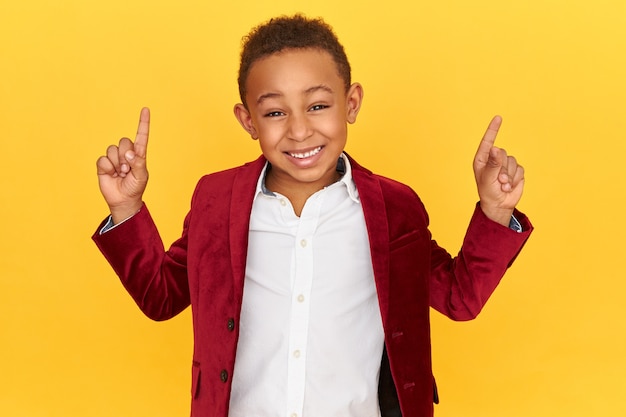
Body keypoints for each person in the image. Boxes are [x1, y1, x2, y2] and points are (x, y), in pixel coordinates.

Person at [92, 14, 532, 417]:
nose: (300, 130)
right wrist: (127, 208)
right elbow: (162, 296)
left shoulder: (395, 207)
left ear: (351, 103)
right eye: (275, 112)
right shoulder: (215, 198)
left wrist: (494, 212)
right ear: (248, 122)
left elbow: (458, 298)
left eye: (318, 105)